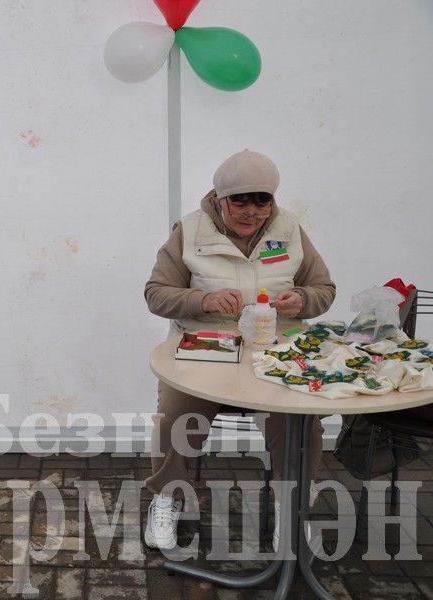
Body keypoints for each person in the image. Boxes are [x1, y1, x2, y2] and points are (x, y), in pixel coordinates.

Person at [142, 150, 336, 550]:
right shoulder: (190, 230)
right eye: (240, 201)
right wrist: (203, 302)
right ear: (220, 198)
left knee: (300, 421)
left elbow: (324, 290)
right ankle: (168, 496)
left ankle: (292, 506)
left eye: (261, 200)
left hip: (277, 349)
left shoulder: (290, 228)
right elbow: (156, 293)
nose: (252, 212)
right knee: (176, 414)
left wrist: (301, 299)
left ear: (272, 200)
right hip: (206, 348)